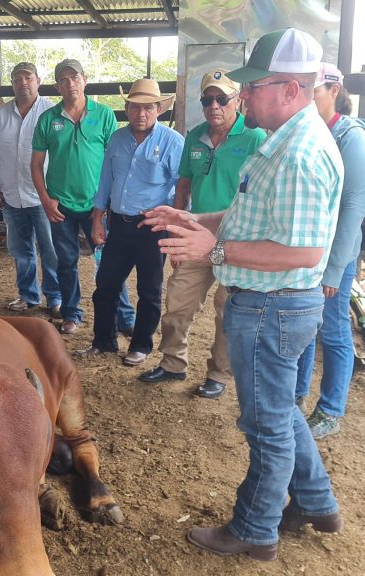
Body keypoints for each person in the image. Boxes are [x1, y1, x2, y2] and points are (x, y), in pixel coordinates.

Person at [143, 28, 343, 560]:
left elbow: (301, 251)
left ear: (290, 89)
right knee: (281, 409)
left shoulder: (298, 152)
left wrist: (216, 252)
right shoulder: (282, 140)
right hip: (276, 305)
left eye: (253, 86)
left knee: (267, 423)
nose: (242, 95)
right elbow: (250, 216)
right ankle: (316, 500)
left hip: (272, 306)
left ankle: (255, 528)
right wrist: (196, 218)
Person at [139, 70, 266, 395]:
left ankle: (218, 376)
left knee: (227, 310)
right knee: (178, 301)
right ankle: (172, 364)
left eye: (221, 98)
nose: (214, 105)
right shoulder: (193, 137)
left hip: (237, 239)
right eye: (208, 99)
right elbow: (183, 185)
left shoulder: (255, 139)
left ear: (237, 99)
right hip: (196, 234)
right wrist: (179, 228)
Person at [81, 78, 183, 366]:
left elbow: (182, 187)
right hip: (120, 224)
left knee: (149, 290)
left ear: (159, 109)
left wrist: (175, 226)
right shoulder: (117, 139)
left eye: (148, 107)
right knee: (105, 285)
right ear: (126, 108)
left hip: (153, 227)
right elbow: (105, 180)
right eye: (136, 107)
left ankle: (141, 345)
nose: (141, 114)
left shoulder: (172, 142)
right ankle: (103, 341)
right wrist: (98, 219)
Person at [295, 63, 365, 438]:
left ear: (334, 91)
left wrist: (337, 267)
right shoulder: (310, 131)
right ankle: (297, 395)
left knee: (333, 329)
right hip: (310, 247)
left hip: (336, 251)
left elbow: (354, 204)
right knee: (307, 324)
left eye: (314, 90)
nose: (308, 96)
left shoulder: (350, 136)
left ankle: (331, 409)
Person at [31, 59, 118, 334]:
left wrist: (107, 202)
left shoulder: (104, 115)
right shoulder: (48, 119)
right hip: (61, 206)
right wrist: (45, 199)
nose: (71, 84)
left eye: (75, 77)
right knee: (65, 262)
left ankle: (117, 314)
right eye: (64, 80)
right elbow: (35, 164)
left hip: (97, 206)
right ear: (57, 86)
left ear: (85, 79)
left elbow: (116, 160)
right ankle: (71, 314)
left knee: (108, 261)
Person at [0, 62, 61, 317]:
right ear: (13, 84)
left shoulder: (51, 113)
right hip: (11, 195)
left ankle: (56, 297)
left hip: (43, 196)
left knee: (50, 248)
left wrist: (57, 193)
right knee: (20, 248)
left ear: (38, 80)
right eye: (18, 79)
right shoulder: (1, 115)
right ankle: (28, 294)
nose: (23, 83)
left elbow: (62, 154)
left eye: (28, 78)